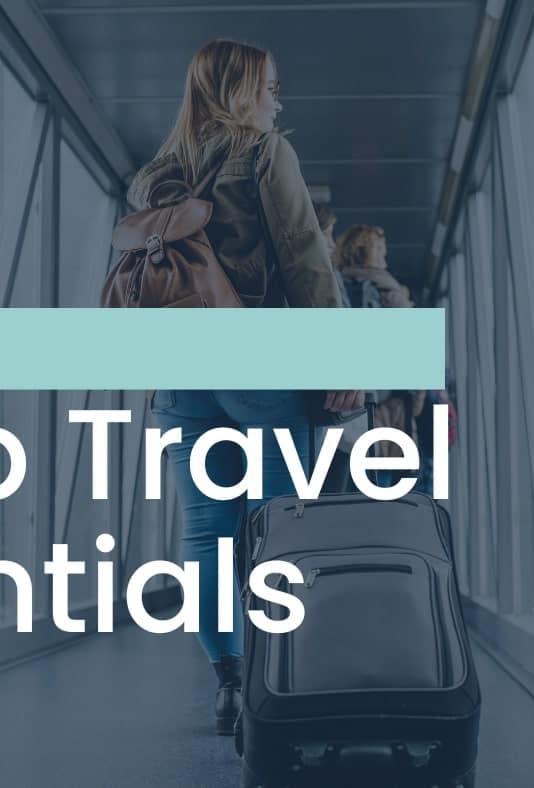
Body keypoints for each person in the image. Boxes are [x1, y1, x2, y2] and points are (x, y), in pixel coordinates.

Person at [126, 39, 359, 737]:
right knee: (280, 523)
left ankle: (229, 683)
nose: (277, 102)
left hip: (180, 372)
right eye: (270, 87)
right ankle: (278, 674)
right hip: (256, 362)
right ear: (243, 90)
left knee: (207, 533)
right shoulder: (263, 153)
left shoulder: (156, 177)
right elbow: (303, 256)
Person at [335, 223, 415, 308]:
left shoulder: (337, 280)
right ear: (359, 252)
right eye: (378, 248)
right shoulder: (387, 290)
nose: (383, 252)